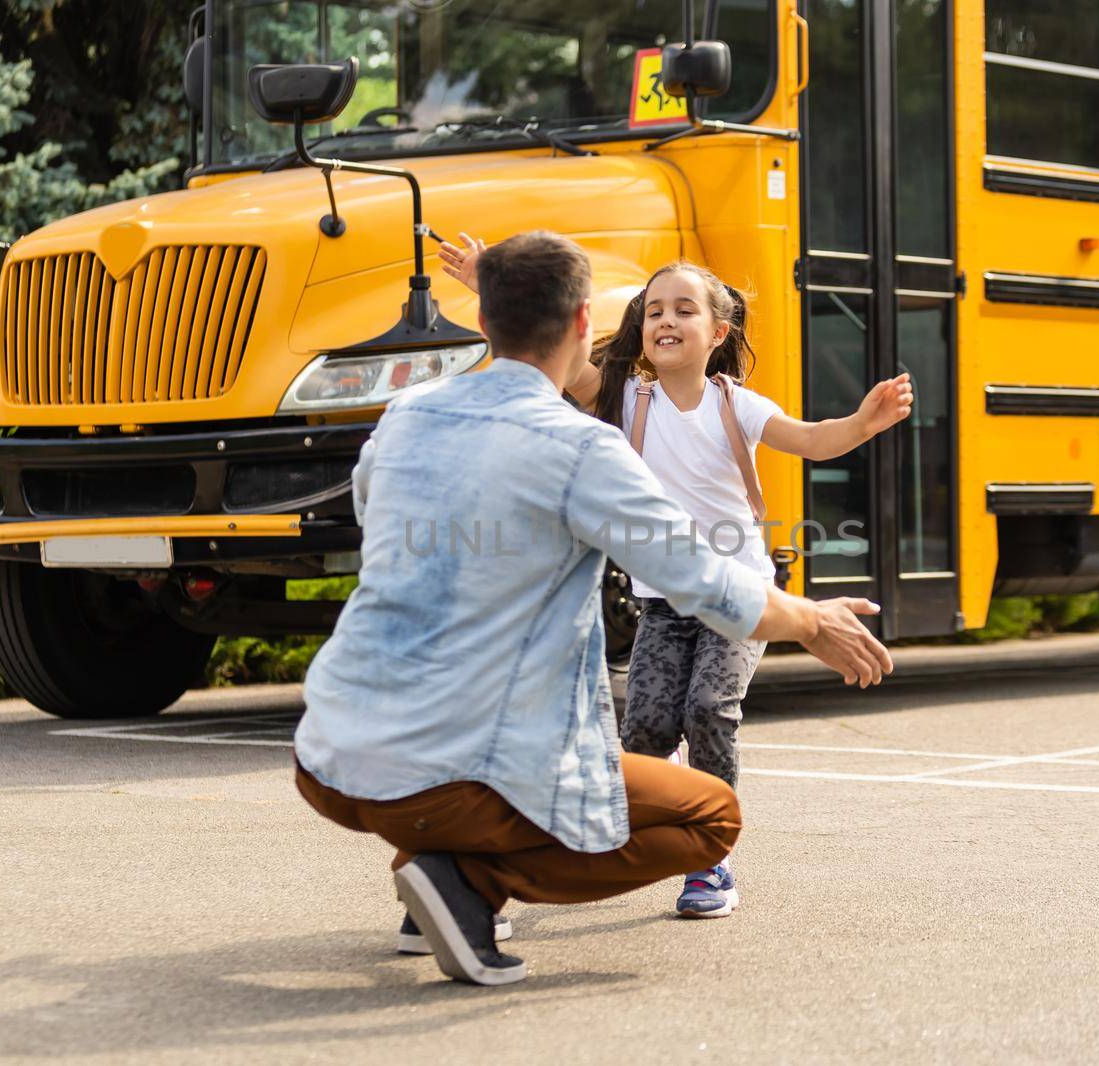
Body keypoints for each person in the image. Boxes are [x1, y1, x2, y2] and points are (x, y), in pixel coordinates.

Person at [295, 231, 893, 987]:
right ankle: (462, 885)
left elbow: (375, 516)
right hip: (476, 758)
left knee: (683, 714)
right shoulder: (584, 446)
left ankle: (431, 878)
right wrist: (811, 619)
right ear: (588, 325)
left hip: (330, 754)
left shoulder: (407, 416)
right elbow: (701, 578)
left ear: (484, 321)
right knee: (708, 817)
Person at [438, 237, 913, 918]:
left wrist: (862, 425)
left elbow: (813, 439)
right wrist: (494, 289)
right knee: (649, 730)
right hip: (662, 604)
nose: (665, 320)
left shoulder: (737, 405)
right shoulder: (628, 398)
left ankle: (710, 860)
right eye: (653, 308)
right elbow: (560, 361)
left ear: (718, 333)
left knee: (709, 712)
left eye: (683, 310)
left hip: (741, 601)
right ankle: (630, 838)